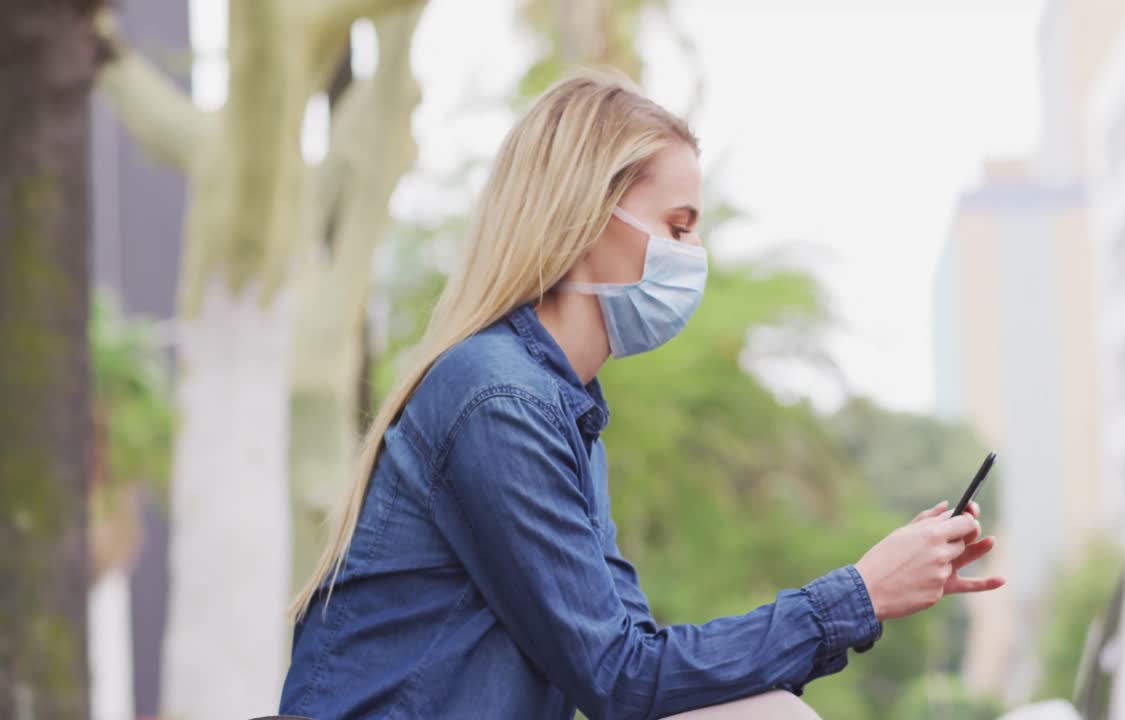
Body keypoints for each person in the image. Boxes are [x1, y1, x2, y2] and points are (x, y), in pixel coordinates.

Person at [279, 72, 1004, 720]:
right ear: (588, 217)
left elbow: (639, 663)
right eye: (676, 228)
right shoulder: (499, 401)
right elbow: (621, 681)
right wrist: (857, 595)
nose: (691, 258)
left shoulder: (565, 412)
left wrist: (865, 596)